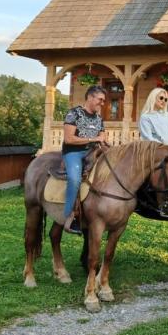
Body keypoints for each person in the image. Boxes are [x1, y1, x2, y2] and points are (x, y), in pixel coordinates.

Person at [62, 85, 108, 234]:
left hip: (93, 153)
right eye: (100, 100)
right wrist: (92, 138)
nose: (102, 103)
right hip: (74, 153)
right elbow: (69, 139)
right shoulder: (73, 113)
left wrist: (105, 143)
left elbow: (102, 137)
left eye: (103, 101)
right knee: (75, 179)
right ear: (90, 97)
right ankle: (69, 217)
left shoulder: (99, 119)